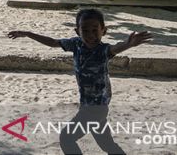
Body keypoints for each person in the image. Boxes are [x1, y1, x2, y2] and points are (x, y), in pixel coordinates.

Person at [8, 9, 152, 154]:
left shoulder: (103, 51)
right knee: (107, 145)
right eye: (85, 30)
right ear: (78, 32)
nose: (90, 35)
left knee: (66, 138)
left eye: (95, 30)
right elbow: (52, 42)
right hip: (92, 107)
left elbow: (115, 48)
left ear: (104, 31)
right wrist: (28, 34)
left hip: (95, 109)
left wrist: (129, 44)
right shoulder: (76, 44)